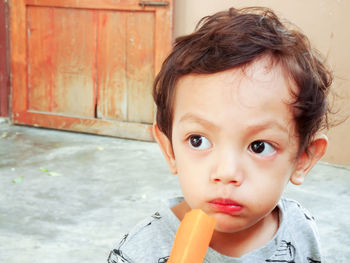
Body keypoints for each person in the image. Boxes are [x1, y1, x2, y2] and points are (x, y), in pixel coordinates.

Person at [108, 6, 332, 263]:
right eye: (198, 141)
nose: (226, 173)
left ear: (303, 158)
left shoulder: (300, 229)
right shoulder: (139, 252)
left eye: (259, 146)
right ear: (169, 150)